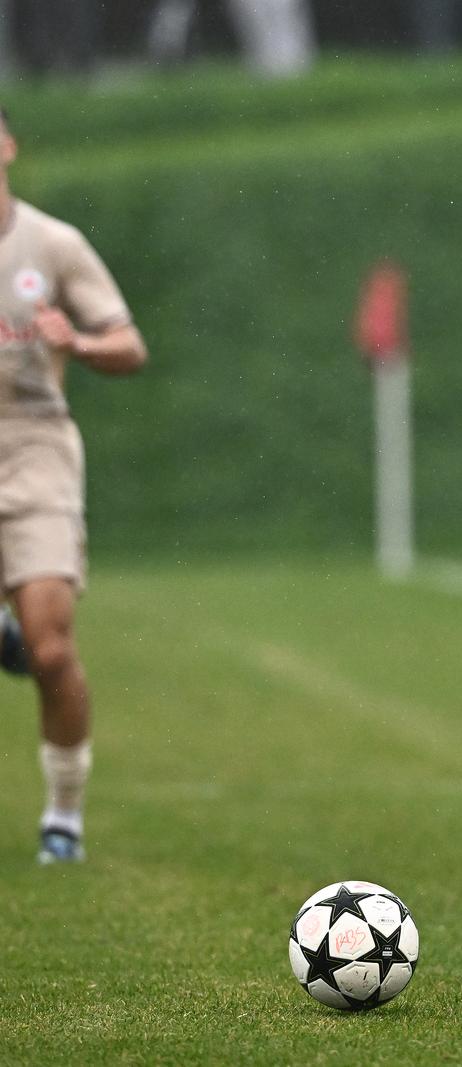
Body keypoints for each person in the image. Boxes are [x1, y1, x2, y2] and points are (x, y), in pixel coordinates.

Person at [0, 106, 148, 863]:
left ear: (8, 144)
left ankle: (63, 816)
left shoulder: (52, 244)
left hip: (34, 443)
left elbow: (129, 346)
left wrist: (78, 340)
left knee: (51, 651)